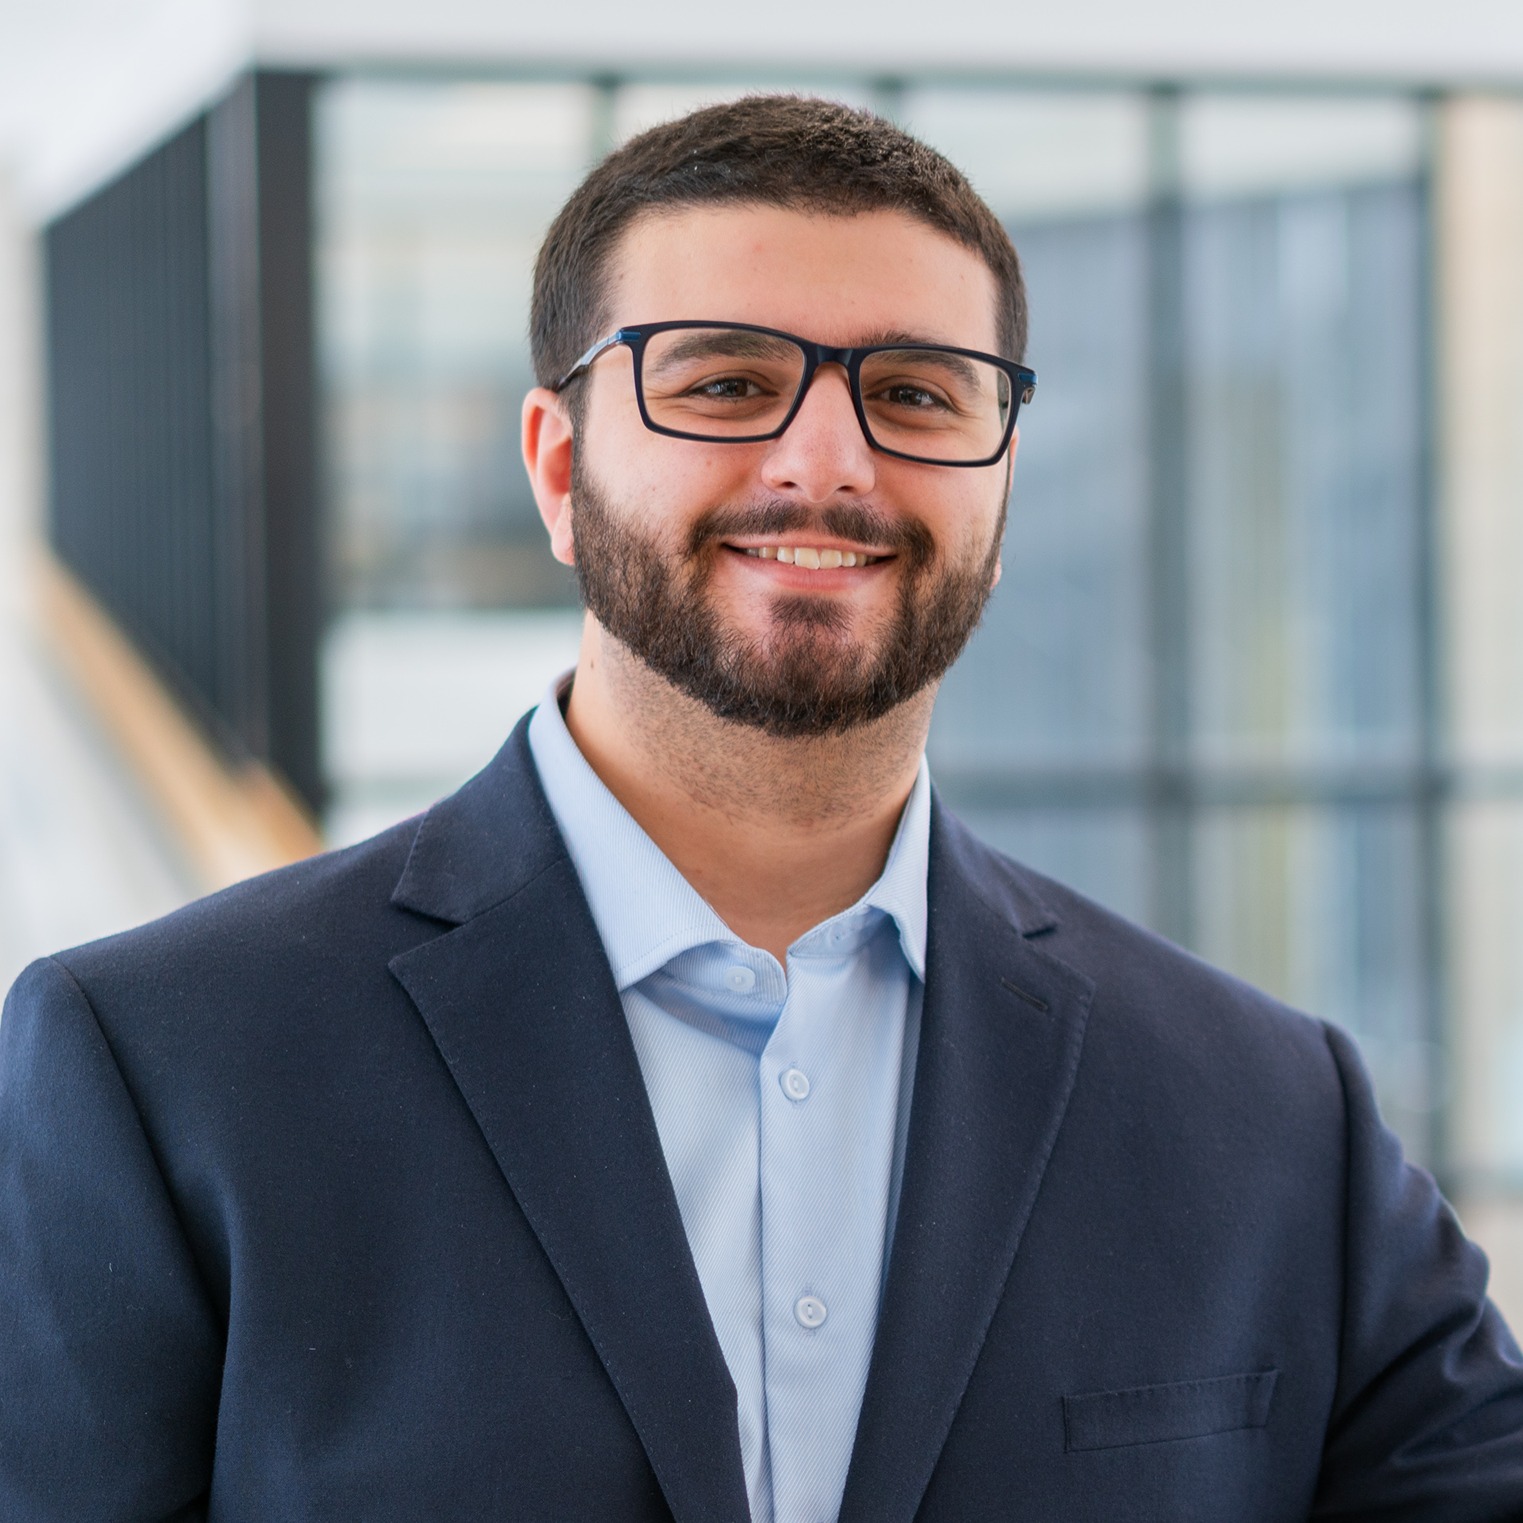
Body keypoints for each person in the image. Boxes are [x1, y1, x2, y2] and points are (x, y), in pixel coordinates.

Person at [2, 94, 1520, 1523]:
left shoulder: (1270, 1118)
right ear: (556, 465)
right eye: (725, 380)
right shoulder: (158, 1070)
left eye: (918, 393)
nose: (827, 462)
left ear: (1001, 494)